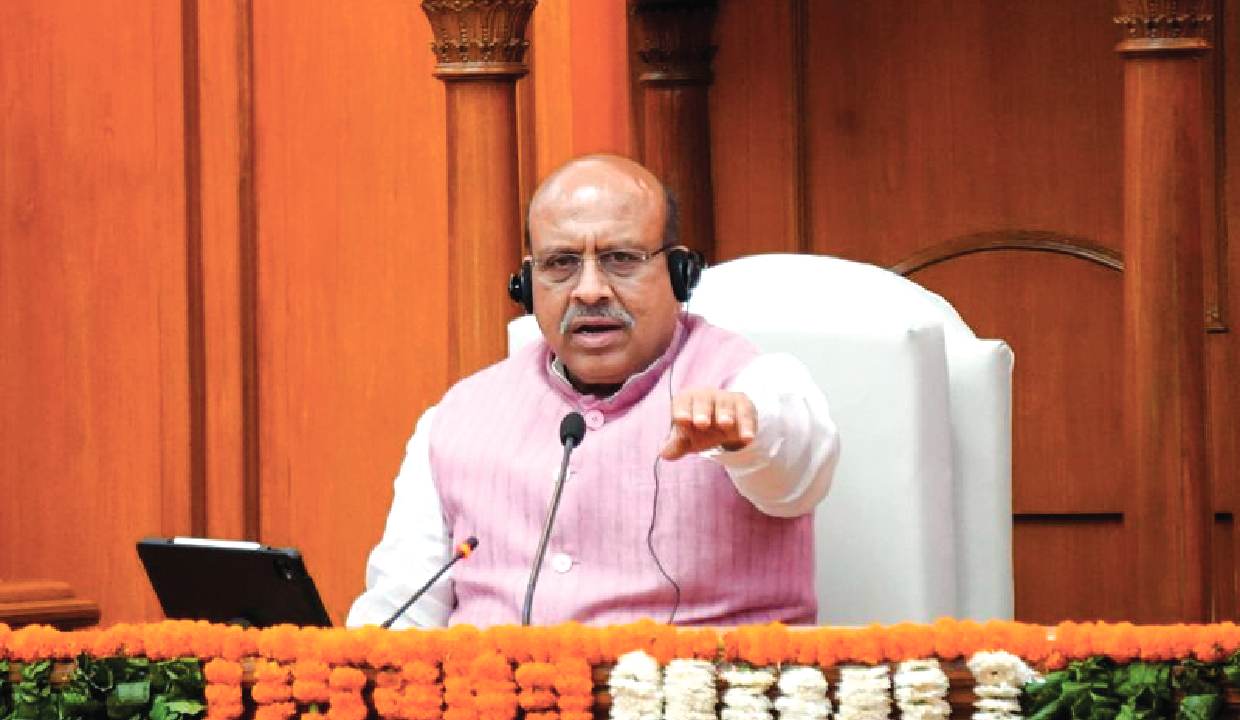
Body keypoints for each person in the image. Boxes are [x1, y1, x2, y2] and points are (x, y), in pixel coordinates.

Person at [347, 154, 840, 628]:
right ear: (526, 284)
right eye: (561, 263)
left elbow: (798, 469)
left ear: (680, 274)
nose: (589, 290)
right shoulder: (454, 418)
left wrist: (743, 435)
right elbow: (401, 613)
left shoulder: (750, 382)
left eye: (621, 259)